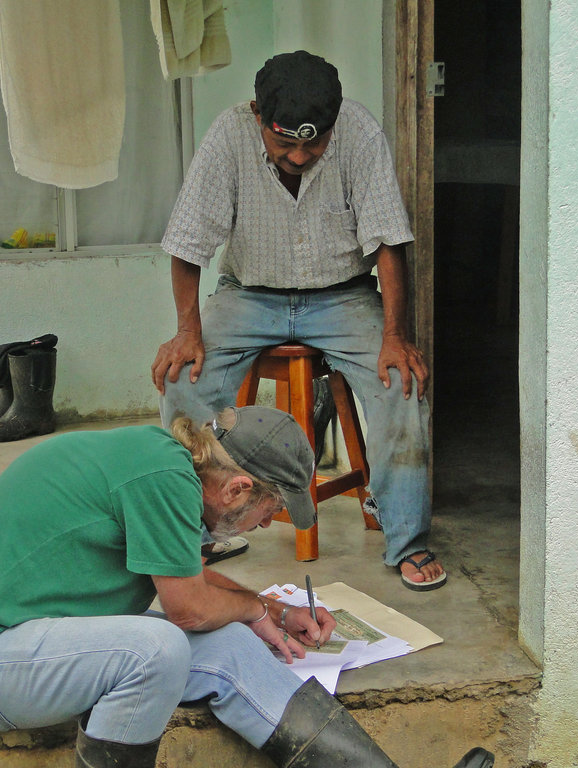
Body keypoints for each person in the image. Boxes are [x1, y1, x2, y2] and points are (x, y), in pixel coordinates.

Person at [0, 406, 434, 767]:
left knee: (231, 641)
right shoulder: (163, 481)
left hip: (40, 646)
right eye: (267, 515)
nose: (262, 528)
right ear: (238, 488)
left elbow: (186, 576)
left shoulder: (166, 464)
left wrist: (267, 613)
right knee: (155, 648)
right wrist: (253, 606)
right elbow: (185, 607)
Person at [151, 50, 446, 592]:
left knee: (402, 382)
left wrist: (395, 337)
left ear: (333, 124)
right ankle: (196, 534)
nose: (300, 154)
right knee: (181, 382)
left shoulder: (358, 132)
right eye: (284, 141)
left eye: (314, 141)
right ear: (258, 115)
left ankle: (407, 539)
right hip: (249, 296)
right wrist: (188, 330)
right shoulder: (229, 135)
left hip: (343, 296)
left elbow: (388, 244)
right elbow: (187, 243)